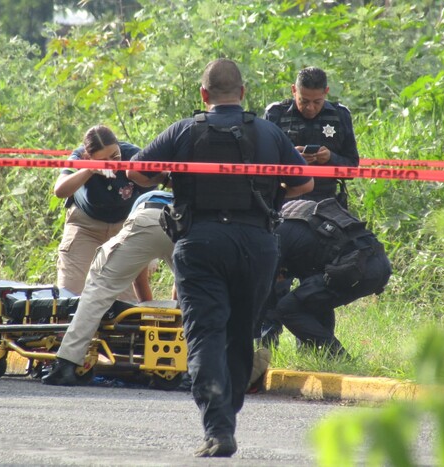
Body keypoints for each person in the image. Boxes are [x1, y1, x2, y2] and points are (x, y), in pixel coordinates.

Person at [127, 59, 313, 458]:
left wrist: (169, 176)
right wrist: (269, 198)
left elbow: (136, 173)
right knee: (240, 333)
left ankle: (218, 428)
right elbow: (305, 182)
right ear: (243, 93)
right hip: (257, 243)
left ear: (204, 95)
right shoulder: (269, 131)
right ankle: (227, 416)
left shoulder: (183, 130)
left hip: (201, 242)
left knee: (205, 333)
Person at [42, 190, 175, 386]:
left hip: (150, 217)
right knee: (196, 295)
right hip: (191, 222)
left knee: (99, 287)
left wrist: (144, 308)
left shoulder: (142, 203)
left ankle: (67, 363)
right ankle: (191, 366)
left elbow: (138, 276)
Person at [259, 198, 392, 358]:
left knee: (287, 308)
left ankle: (338, 357)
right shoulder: (300, 219)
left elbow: (263, 285)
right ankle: (323, 358)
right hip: (378, 263)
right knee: (314, 298)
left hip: (356, 268)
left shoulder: (277, 233)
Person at [53, 125, 152, 301]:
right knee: (69, 295)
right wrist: (89, 169)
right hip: (85, 226)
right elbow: (60, 190)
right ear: (87, 156)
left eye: (115, 156)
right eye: (104, 160)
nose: (112, 163)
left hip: (124, 228)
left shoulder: (133, 155)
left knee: (126, 303)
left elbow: (151, 199)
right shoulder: (79, 157)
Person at [264, 66, 359, 207]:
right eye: (304, 101)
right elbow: (262, 166)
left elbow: (352, 168)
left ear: (326, 92)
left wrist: (330, 158)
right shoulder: (276, 113)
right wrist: (291, 158)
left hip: (326, 201)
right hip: (285, 199)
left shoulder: (340, 115)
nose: (310, 108)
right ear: (293, 90)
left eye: (317, 102)